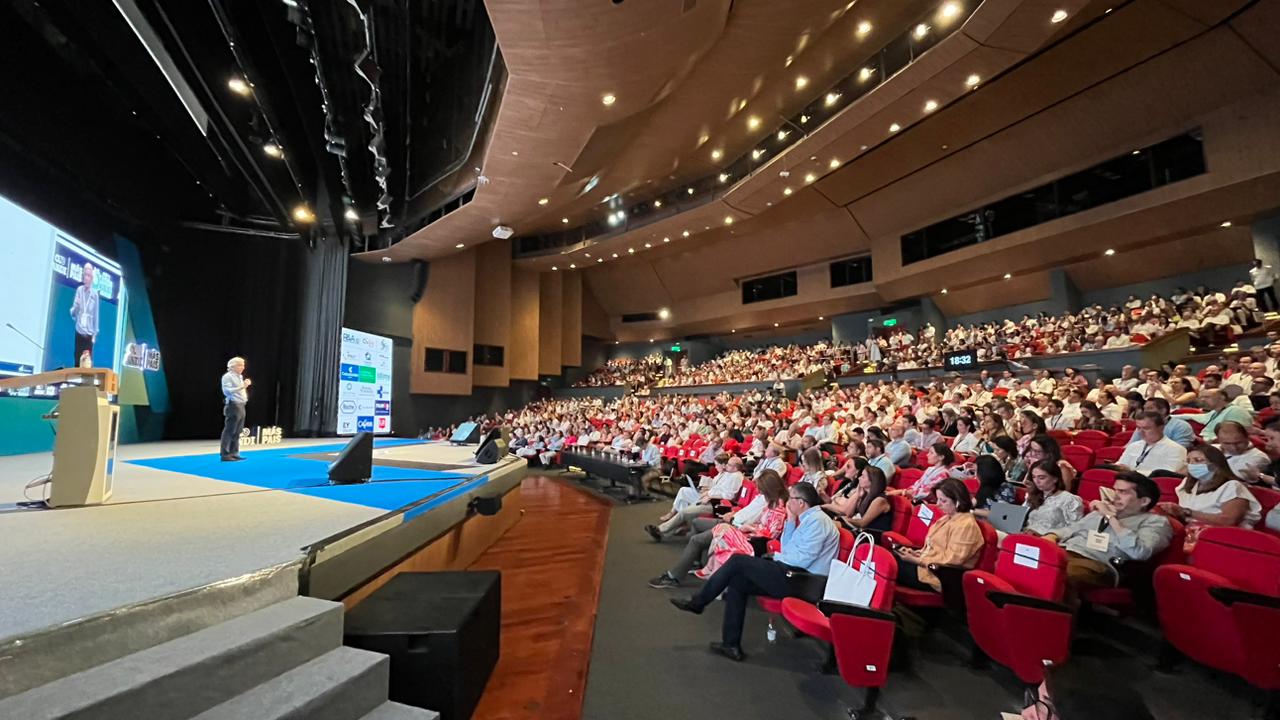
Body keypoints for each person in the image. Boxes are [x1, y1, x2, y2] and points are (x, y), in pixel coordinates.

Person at [668, 482, 840, 662]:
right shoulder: (808, 519)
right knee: (738, 582)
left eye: (791, 499)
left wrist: (776, 557)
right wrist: (789, 522)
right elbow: (789, 549)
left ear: (802, 503)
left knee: (738, 562)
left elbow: (801, 560)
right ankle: (730, 644)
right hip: (793, 573)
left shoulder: (818, 523)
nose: (787, 502)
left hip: (804, 581)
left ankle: (699, 602)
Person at [1040, 472, 1172, 599]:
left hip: (1099, 564)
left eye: (1123, 492)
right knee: (1027, 562)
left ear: (1143, 501)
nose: (1115, 496)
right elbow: (1072, 529)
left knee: (1054, 575)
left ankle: (1052, 617)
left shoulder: (1156, 522)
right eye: (1115, 490)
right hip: (1066, 551)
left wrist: (1110, 517)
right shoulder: (1101, 512)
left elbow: (1140, 552)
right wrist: (1053, 535)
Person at [648, 470, 788, 589]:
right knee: (696, 523)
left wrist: (733, 519)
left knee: (696, 540)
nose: (757, 490)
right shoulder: (764, 498)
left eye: (760, 487)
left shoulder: (772, 504)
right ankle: (695, 561)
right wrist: (733, 514)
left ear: (768, 488)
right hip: (734, 521)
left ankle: (674, 577)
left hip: (737, 528)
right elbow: (747, 512)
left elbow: (755, 522)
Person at [890, 478, 985, 592]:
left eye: (943, 501)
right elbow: (933, 548)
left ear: (958, 501)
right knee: (888, 557)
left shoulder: (966, 526)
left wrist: (917, 560)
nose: (938, 504)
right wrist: (915, 553)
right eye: (938, 499)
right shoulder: (947, 518)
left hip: (938, 576)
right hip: (926, 567)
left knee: (888, 565)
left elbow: (952, 560)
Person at [1158, 444, 1262, 545]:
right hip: (1190, 534)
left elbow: (1228, 521)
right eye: (1189, 461)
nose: (1191, 465)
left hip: (1224, 539)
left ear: (1215, 464)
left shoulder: (1232, 486)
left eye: (1198, 460)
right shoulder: (1188, 483)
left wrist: (1187, 512)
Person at [647, 455, 744, 540]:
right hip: (710, 499)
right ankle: (664, 531)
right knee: (685, 509)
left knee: (685, 512)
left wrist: (710, 496)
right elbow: (718, 488)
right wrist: (707, 492)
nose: (726, 465)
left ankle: (661, 530)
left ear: (736, 468)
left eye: (729, 465)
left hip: (716, 504)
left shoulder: (736, 477)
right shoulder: (729, 474)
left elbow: (729, 496)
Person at [1022, 461, 1085, 536]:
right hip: (1026, 536)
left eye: (1041, 478)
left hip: (1049, 540)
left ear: (1055, 479)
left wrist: (1048, 535)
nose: (1036, 481)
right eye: (1034, 477)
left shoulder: (1069, 499)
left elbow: (1075, 530)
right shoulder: (1034, 496)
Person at [1115, 412, 1187, 475]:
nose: (1140, 432)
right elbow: (1121, 465)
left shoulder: (1176, 449)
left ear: (1161, 428)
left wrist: (1133, 472)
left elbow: (1166, 474)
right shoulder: (1133, 446)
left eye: (1146, 428)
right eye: (1138, 428)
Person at [888, 442, 958, 501]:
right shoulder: (930, 469)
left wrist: (903, 492)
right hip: (914, 497)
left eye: (931, 453)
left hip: (926, 501)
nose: (927, 455)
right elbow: (916, 485)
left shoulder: (944, 474)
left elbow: (928, 492)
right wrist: (904, 492)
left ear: (941, 457)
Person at [220, 357, 251, 461]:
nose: (243, 367)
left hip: (241, 404)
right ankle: (225, 454)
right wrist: (243, 386)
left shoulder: (239, 376)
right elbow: (227, 391)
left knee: (237, 431)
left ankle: (235, 453)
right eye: (240, 365)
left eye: (243, 365)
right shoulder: (227, 377)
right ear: (232, 366)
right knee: (230, 430)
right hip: (233, 405)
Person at [70, 262, 99, 367]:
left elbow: (96, 316)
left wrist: (94, 335)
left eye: (88, 275)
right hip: (79, 332)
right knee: (77, 361)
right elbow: (73, 314)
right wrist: (77, 306)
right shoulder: (79, 290)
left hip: (89, 335)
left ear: (92, 278)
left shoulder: (94, 295)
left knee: (86, 364)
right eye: (85, 275)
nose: (86, 278)